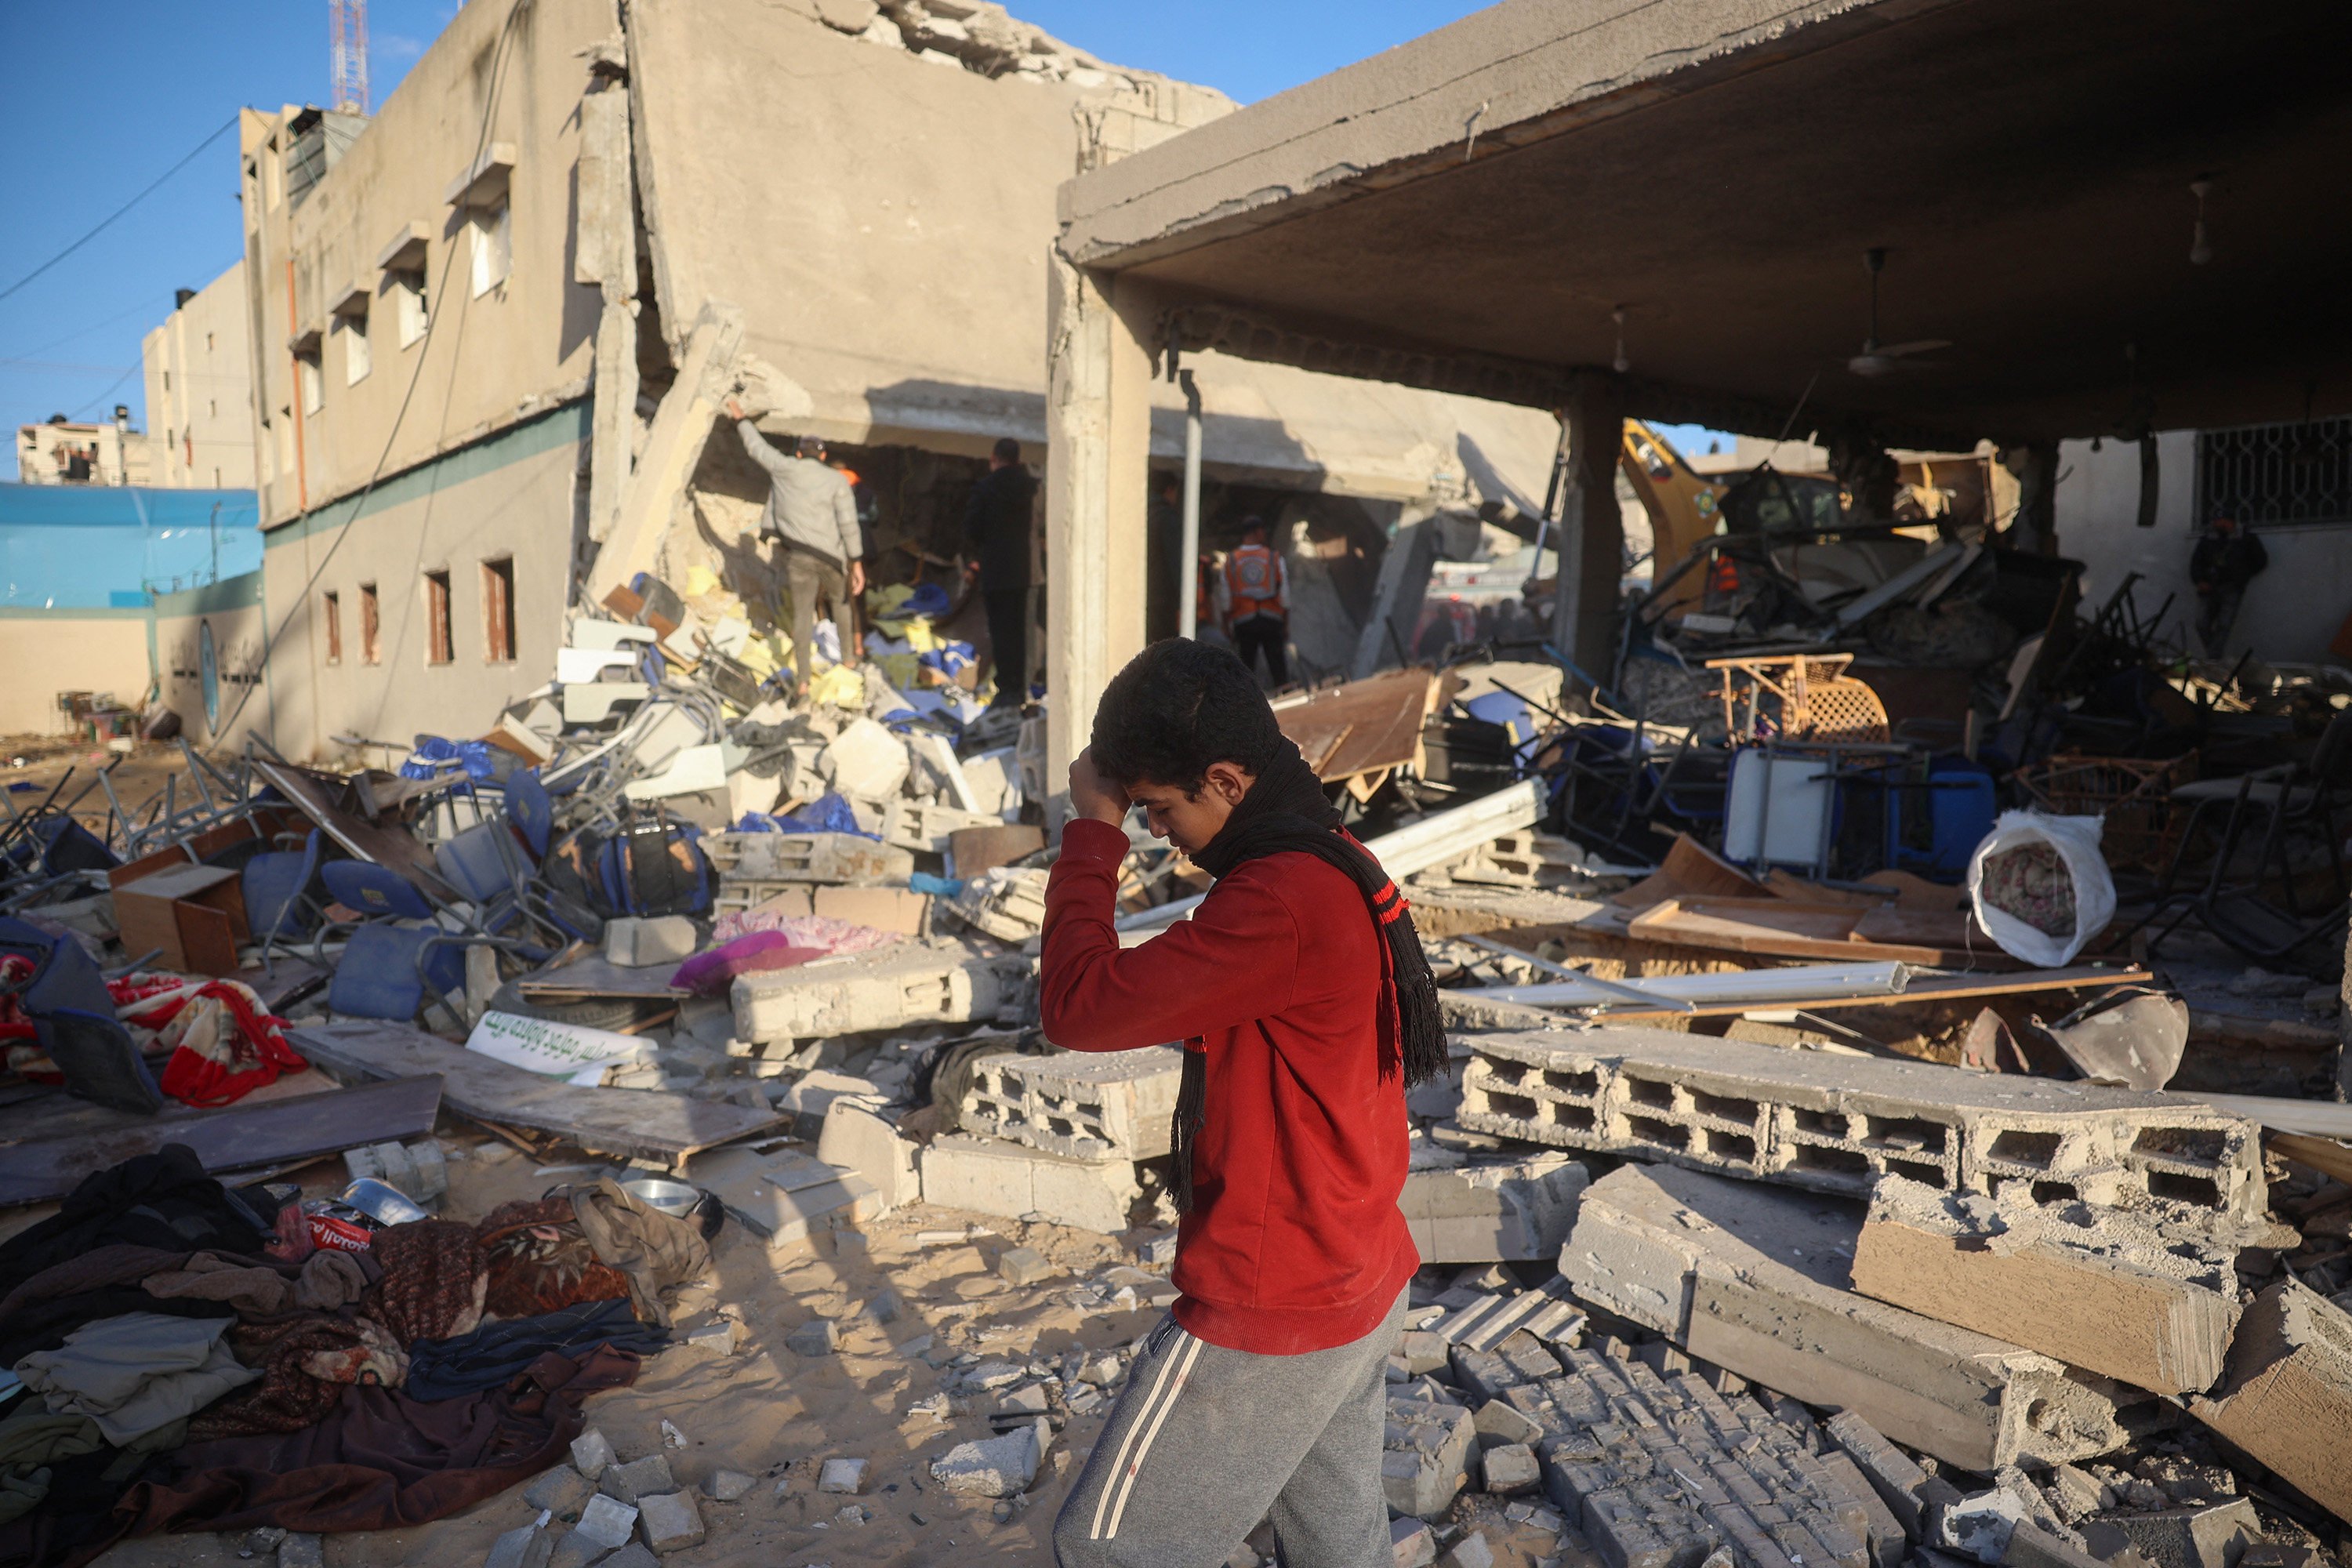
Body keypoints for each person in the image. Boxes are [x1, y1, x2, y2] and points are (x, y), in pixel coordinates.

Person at [1044, 639, 1447, 1568]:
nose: (1154, 832)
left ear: (1225, 779)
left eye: (1158, 808)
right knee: (1336, 1545)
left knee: (1107, 1547)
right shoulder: (1328, 851)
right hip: (1358, 1270)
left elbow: (1076, 1004)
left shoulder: (1279, 899)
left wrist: (1091, 831)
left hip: (1279, 1303)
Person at [727, 398, 862, 692]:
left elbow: (757, 448)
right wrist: (857, 562)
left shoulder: (786, 468)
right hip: (832, 557)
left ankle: (803, 681)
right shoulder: (837, 481)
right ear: (823, 456)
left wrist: (741, 418)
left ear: (800, 453)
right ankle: (849, 661)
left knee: (803, 616)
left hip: (799, 556)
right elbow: (849, 524)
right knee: (841, 605)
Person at [963, 436, 1037, 709]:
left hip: (997, 571)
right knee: (1024, 631)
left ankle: (1008, 690)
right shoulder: (1032, 488)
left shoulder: (985, 488)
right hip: (1028, 571)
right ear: (1018, 460)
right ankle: (1023, 686)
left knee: (1002, 631)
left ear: (994, 459)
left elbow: (973, 529)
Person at [1218, 516, 1289, 685]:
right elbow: (1285, 595)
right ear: (1258, 532)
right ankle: (1287, 694)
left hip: (1244, 622)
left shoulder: (1232, 560)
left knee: (1246, 670)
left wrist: (1226, 626)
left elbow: (1225, 599)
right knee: (1278, 668)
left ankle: (1246, 705)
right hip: (1271, 619)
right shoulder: (1273, 558)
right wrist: (1286, 623)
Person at [2190, 513, 2268, 657]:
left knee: (2224, 625)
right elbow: (2196, 563)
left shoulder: (2246, 539)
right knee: (2201, 623)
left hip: (2232, 588)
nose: (2220, 525)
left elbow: (2260, 560)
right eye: (2218, 521)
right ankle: (2214, 656)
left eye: (2223, 521)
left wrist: (2241, 576)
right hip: (2209, 588)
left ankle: (2213, 658)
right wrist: (2200, 581)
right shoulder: (2208, 540)